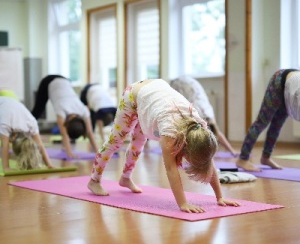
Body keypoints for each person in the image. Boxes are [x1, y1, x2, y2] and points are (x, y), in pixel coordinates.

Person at [87, 79, 240, 213]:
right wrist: (183, 203)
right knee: (116, 141)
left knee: (139, 142)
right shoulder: (170, 134)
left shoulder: (200, 128)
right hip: (134, 95)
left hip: (154, 97)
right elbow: (171, 169)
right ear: (185, 148)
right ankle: (94, 180)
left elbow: (208, 159)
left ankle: (125, 178)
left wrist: (220, 197)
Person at [236, 69, 299, 172]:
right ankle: (242, 159)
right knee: (261, 123)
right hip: (279, 82)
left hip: (290, 90)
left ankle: (266, 158)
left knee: (277, 126)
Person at [31, 75, 99, 158]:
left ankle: (64, 147)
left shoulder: (84, 110)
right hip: (49, 81)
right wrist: (70, 153)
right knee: (37, 112)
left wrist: (98, 152)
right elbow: (65, 134)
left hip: (65, 80)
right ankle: (24, 133)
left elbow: (89, 133)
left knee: (38, 112)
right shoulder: (62, 109)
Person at [170, 75, 238, 156]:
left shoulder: (207, 113)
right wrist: (232, 151)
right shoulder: (200, 113)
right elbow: (217, 133)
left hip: (189, 85)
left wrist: (232, 151)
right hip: (182, 85)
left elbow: (217, 133)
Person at [0, 96, 53, 171]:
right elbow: (5, 146)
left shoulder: (32, 122)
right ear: (14, 137)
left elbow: (40, 144)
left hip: (9, 104)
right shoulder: (6, 124)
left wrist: (49, 165)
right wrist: (6, 167)